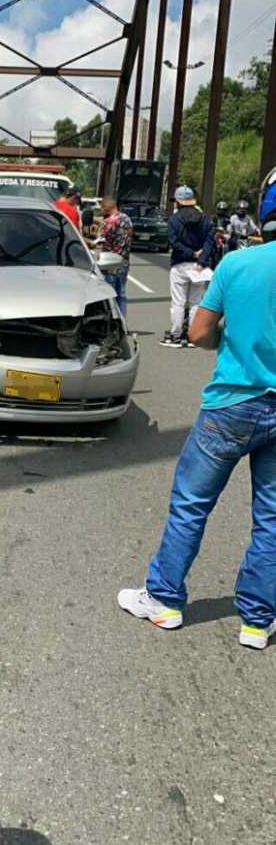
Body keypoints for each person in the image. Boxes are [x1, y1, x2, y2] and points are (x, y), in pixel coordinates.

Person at [117, 166, 276, 650]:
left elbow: (199, 333)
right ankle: (257, 619)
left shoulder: (238, 266)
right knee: (272, 517)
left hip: (232, 403)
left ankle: (164, 600)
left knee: (191, 504)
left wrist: (232, 339)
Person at [160, 186, 215, 348]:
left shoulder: (174, 220)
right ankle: (192, 336)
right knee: (195, 301)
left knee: (178, 302)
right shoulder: (205, 219)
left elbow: (173, 242)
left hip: (180, 264)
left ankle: (175, 335)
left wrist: (191, 253)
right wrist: (201, 259)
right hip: (199, 267)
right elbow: (210, 241)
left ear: (178, 201)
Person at [99, 196, 133, 317]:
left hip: (110, 263)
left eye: (102, 208)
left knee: (110, 295)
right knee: (122, 294)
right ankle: (123, 320)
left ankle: (113, 321)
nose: (101, 211)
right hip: (124, 261)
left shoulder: (109, 222)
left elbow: (100, 241)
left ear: (107, 207)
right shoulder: (127, 219)